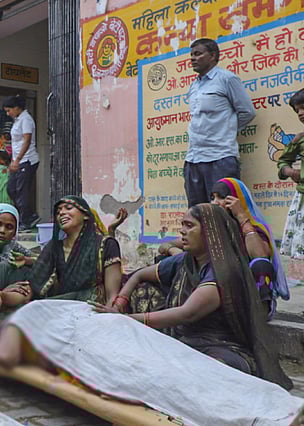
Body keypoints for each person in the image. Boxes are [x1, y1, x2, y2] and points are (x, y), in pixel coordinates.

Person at [0, 300, 300, 426]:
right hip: (91, 348)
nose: (20, 292)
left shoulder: (53, 302)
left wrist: (115, 314)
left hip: (112, 327)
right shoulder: (28, 321)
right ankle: (257, 414)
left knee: (185, 363)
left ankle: (270, 401)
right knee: (162, 377)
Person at [98, 204, 291, 387]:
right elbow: (139, 275)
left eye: (189, 226)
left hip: (219, 346)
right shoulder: (186, 261)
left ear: (210, 232)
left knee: (206, 372)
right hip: (184, 339)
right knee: (142, 294)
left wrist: (126, 319)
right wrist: (120, 301)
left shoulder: (224, 271)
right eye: (182, 225)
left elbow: (187, 313)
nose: (182, 231)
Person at [158, 178, 289, 319]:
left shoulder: (254, 228)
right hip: (216, 286)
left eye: (221, 197)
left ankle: (261, 312)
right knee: (167, 260)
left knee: (261, 264)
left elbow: (260, 254)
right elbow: (165, 246)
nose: (215, 202)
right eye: (212, 198)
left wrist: (241, 216)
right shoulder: (212, 230)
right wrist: (176, 253)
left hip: (243, 290)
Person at [184, 38, 256, 206]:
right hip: (193, 159)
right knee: (197, 213)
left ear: (212, 56)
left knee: (223, 212)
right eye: (192, 55)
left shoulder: (227, 79)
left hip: (220, 157)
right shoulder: (193, 86)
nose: (193, 58)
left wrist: (226, 129)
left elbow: (247, 112)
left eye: (198, 54)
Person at [25, 196, 122, 304]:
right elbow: (33, 285)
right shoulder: (54, 247)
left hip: (94, 307)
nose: (61, 213)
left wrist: (110, 311)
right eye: (58, 212)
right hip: (61, 306)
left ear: (85, 215)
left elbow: (112, 295)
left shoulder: (106, 245)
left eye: (68, 208)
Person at [3, 95, 40, 231]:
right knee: (11, 189)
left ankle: (25, 221)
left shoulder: (26, 119)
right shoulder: (17, 120)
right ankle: (30, 216)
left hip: (27, 160)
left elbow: (27, 141)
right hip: (18, 161)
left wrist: (17, 160)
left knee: (21, 191)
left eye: (9, 110)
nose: (8, 114)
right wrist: (13, 161)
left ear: (17, 108)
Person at [278, 88, 304, 267]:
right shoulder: (299, 140)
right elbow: (283, 162)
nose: (300, 113)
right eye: (297, 110)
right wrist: (290, 171)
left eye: (303, 108)